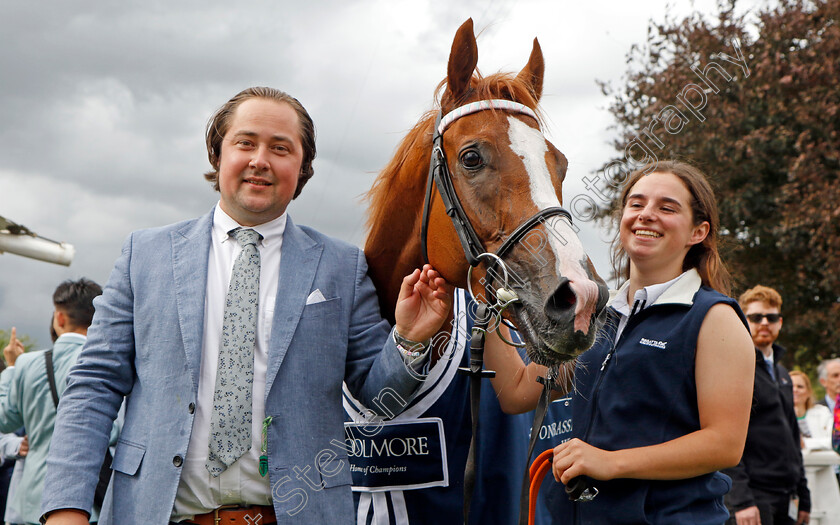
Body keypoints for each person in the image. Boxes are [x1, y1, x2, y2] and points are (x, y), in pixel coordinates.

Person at [41, 87, 452, 525]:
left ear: (302, 167)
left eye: (280, 148)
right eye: (245, 142)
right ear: (218, 155)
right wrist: (66, 509)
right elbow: (94, 385)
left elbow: (377, 399)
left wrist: (407, 338)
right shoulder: (145, 254)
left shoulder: (342, 266)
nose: (261, 159)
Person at [486, 160, 756, 524]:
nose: (646, 215)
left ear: (698, 231)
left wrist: (609, 462)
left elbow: (725, 444)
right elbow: (517, 392)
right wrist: (482, 302)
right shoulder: (596, 314)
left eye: (667, 208)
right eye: (637, 204)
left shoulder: (713, 316)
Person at [0, 280, 103, 525]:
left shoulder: (28, 364)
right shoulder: (107, 363)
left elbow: (4, 420)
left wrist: (12, 368)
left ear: (59, 317)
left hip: (34, 499)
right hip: (90, 501)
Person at [724, 285, 811, 525]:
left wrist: (804, 496)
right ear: (743, 320)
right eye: (755, 317)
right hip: (752, 497)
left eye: (771, 317)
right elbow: (725, 435)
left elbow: (793, 436)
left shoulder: (783, 373)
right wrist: (741, 501)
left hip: (787, 496)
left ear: (780, 322)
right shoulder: (734, 367)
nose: (764, 322)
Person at [790, 371, 834, 450]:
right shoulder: (777, 415)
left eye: (800, 387)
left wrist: (805, 443)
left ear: (808, 392)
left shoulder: (822, 412)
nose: (795, 390)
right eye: (791, 386)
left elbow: (834, 440)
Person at [817, 358, 840, 487]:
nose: (839, 380)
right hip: (825, 475)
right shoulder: (814, 410)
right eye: (835, 376)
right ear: (823, 381)